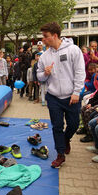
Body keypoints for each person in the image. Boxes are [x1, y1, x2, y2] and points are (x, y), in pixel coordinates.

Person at [37, 22, 85, 168]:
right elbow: (39, 77)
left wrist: (76, 92)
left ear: (55, 35)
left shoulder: (73, 50)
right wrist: (44, 73)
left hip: (72, 97)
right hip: (53, 97)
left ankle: (66, 139)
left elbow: (80, 72)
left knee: (74, 124)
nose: (43, 39)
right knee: (57, 126)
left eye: (45, 36)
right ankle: (60, 154)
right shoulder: (44, 56)